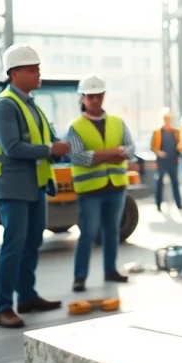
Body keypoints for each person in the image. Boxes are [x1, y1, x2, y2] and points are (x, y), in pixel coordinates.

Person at [0, 44, 68, 328]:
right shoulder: (4, 105)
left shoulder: (31, 105)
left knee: (32, 243)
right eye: (33, 69)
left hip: (34, 185)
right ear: (15, 73)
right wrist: (49, 148)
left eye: (38, 68)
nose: (38, 74)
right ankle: (2, 307)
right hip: (12, 187)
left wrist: (59, 147)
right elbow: (12, 147)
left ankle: (27, 296)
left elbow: (46, 141)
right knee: (13, 246)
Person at [65, 75, 133, 292]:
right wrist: (112, 152)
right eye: (90, 96)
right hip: (90, 190)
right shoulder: (76, 126)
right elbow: (78, 157)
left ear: (104, 96)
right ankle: (80, 276)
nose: (95, 100)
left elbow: (130, 150)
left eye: (98, 95)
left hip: (116, 187)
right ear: (83, 98)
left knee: (112, 231)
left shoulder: (117, 122)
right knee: (88, 233)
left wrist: (100, 155)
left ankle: (110, 270)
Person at [150, 108, 182, 212]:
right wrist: (158, 153)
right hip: (161, 161)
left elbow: (180, 145)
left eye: (169, 118)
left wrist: (179, 154)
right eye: (165, 118)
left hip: (172, 161)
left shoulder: (176, 132)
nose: (167, 120)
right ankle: (158, 205)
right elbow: (152, 147)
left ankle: (179, 204)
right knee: (159, 182)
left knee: (175, 182)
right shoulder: (157, 132)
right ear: (163, 119)